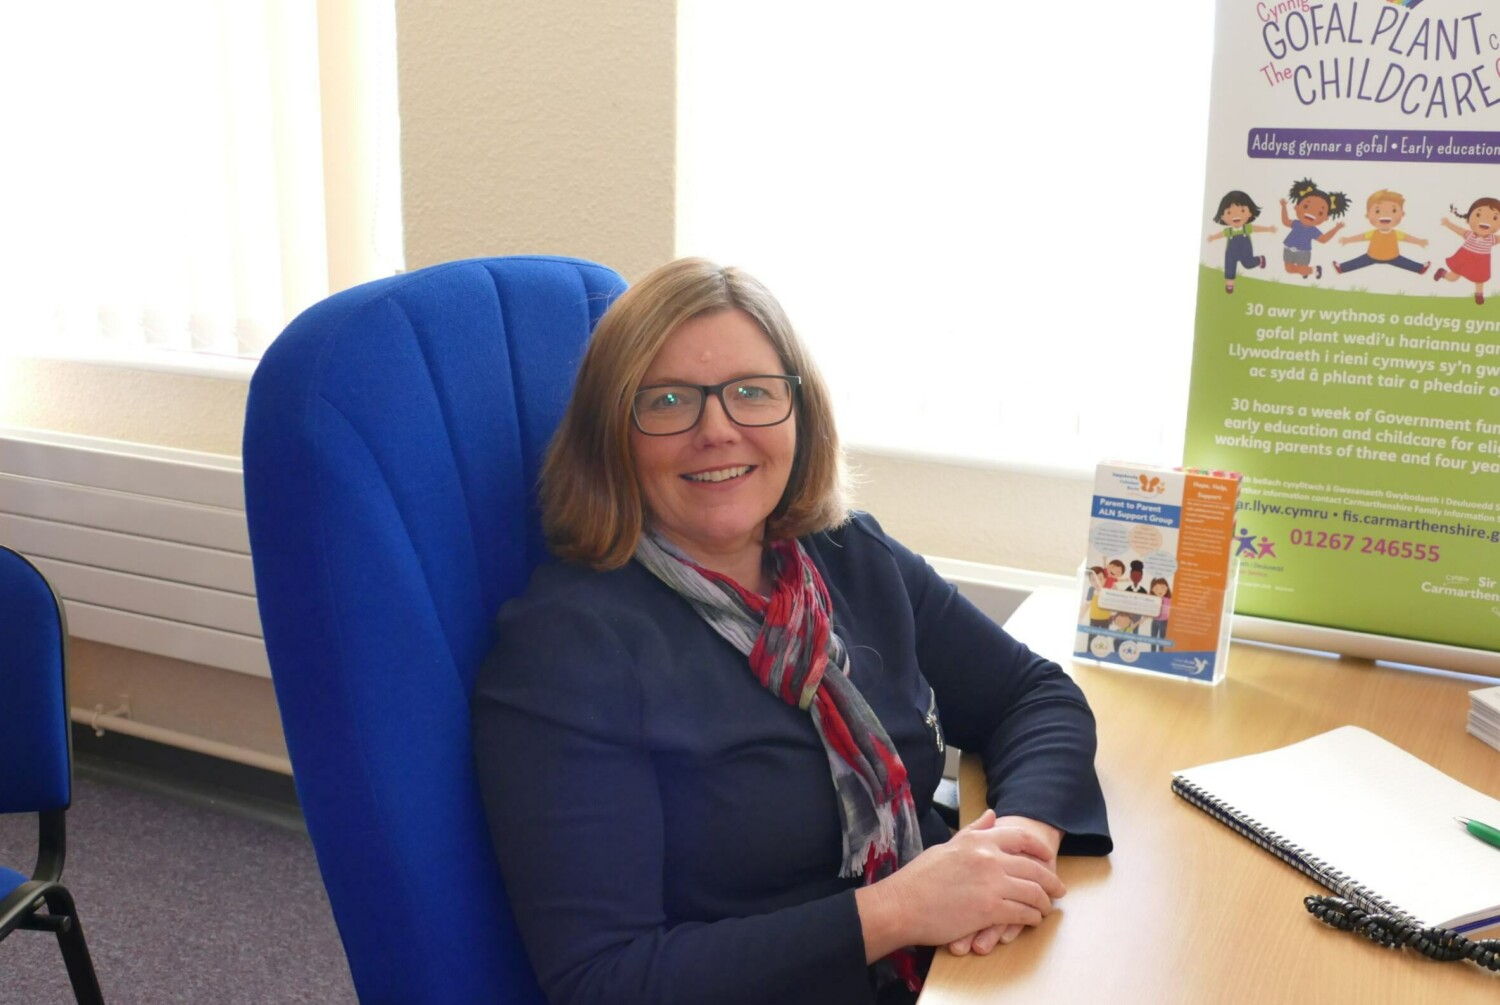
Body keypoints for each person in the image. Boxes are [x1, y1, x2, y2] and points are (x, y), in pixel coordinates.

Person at [471, 258, 1112, 1005]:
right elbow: (606, 980)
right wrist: (900, 908)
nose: (718, 430)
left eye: (752, 393)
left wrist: (1020, 843)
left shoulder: (848, 553)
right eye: (670, 400)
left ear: (798, 413)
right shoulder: (568, 649)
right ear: (612, 435)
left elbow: (1031, 695)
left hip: (954, 966)